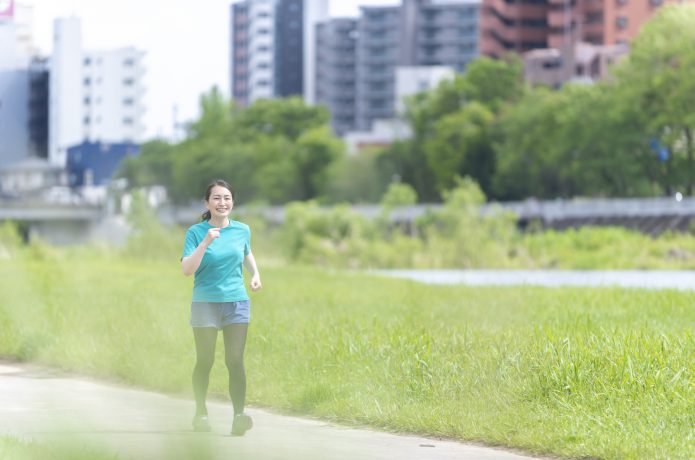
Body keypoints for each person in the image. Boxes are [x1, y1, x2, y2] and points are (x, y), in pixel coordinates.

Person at [180, 179, 262, 436]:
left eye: (226, 198)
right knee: (205, 361)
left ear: (232, 202)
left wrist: (255, 274)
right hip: (205, 303)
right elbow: (186, 270)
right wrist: (205, 243)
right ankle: (201, 413)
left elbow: (246, 251)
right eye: (216, 198)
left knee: (235, 360)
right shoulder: (195, 233)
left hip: (236, 302)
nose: (222, 202)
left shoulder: (242, 230)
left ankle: (239, 416)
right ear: (207, 203)